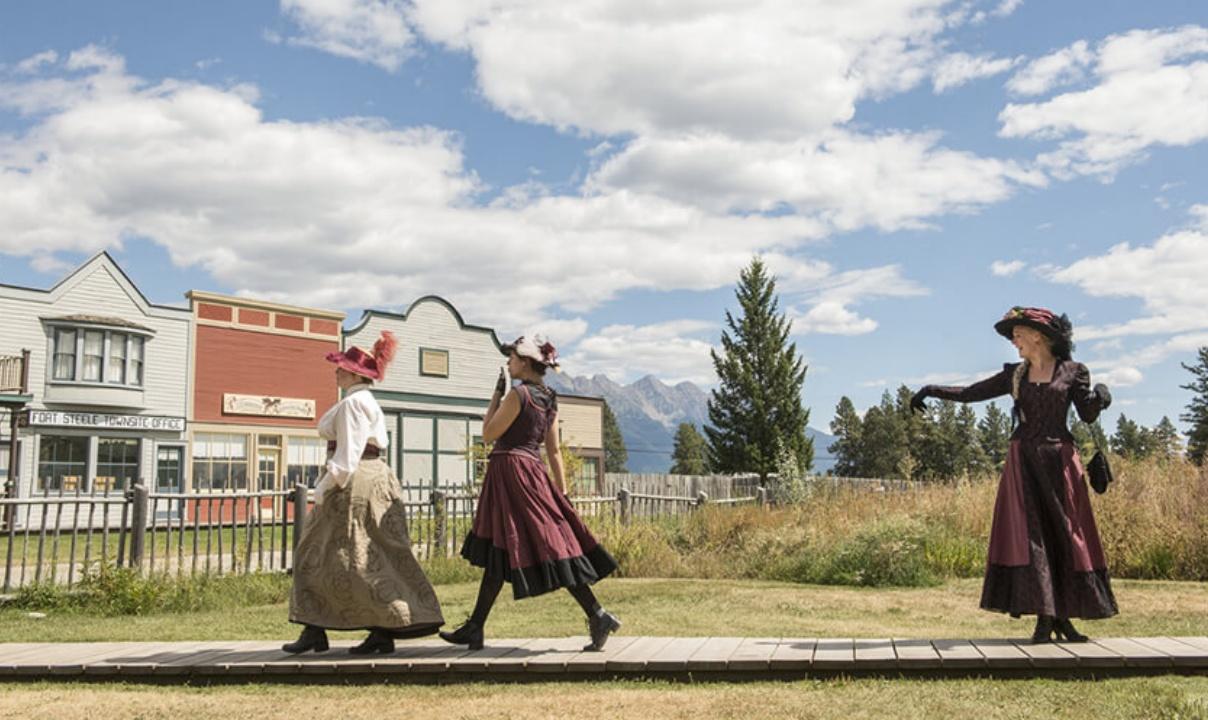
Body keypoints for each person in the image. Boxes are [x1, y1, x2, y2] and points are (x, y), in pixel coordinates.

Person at [910, 306, 1117, 643]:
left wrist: (1102, 397)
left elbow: (1088, 414)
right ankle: (1045, 617)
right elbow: (970, 393)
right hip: (1023, 463)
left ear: (1039, 335)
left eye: (1017, 334)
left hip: (1061, 463)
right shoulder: (1015, 375)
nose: (1014, 341)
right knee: (1032, 538)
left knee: (1065, 536)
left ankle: (1062, 618)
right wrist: (930, 389)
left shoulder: (1073, 372)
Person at [440, 336, 620, 652]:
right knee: (507, 547)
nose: (508, 363)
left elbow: (488, 433)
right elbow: (553, 450)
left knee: (538, 545)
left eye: (511, 358)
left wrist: (496, 394)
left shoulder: (518, 394)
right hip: (532, 473)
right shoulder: (549, 398)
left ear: (524, 362)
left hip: (511, 472)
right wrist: (561, 489)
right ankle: (476, 626)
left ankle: (597, 612)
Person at [284, 331, 444, 654]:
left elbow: (348, 455)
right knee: (369, 554)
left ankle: (319, 628)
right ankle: (377, 631)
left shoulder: (354, 404)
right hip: (374, 479)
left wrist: (324, 487)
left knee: (313, 552)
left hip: (354, 482)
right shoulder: (364, 402)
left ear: (356, 373)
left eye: (342, 367)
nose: (337, 371)